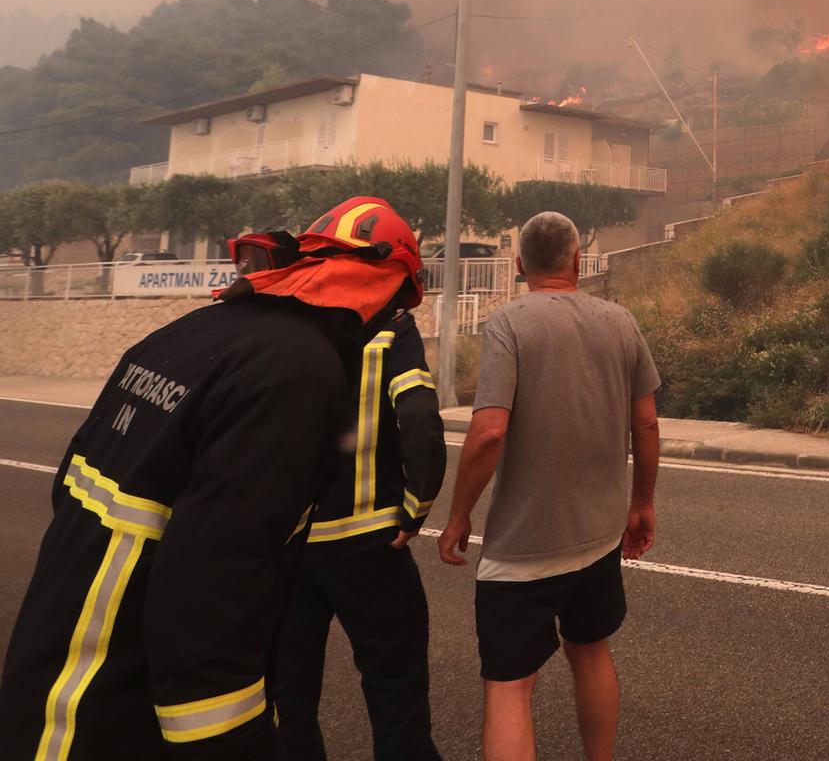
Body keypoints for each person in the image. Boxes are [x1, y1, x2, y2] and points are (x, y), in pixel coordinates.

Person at [0, 196, 425, 759]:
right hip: (112, 712)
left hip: (52, 676)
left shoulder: (193, 331)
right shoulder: (297, 371)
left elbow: (69, 483)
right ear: (389, 289)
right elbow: (214, 587)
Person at [437, 211, 661, 761]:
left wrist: (459, 514)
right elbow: (648, 424)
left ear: (518, 266)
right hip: (599, 537)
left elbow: (489, 431)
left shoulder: (508, 324)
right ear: (577, 261)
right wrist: (642, 505)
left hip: (523, 549)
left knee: (511, 684)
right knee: (590, 650)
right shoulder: (620, 321)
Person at [272, 296, 446, 761]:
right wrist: (416, 508)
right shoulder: (391, 331)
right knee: (395, 692)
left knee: (289, 698)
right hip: (371, 545)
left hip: (293, 547)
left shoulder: (292, 327)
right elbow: (419, 418)